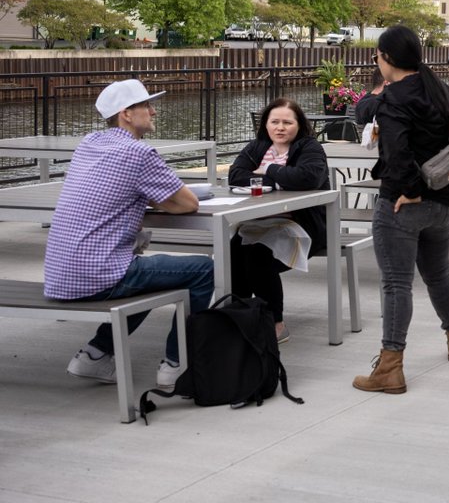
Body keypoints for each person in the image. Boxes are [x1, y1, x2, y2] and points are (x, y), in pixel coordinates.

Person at [44, 79, 213, 392]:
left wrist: (143, 195)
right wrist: (153, 195)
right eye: (146, 105)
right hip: (98, 275)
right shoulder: (139, 153)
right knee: (204, 270)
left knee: (148, 274)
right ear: (126, 113)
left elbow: (114, 188)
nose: (153, 111)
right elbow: (187, 203)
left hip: (60, 273)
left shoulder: (89, 143)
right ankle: (178, 366)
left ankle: (95, 354)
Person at [354, 25, 449, 394]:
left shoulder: (395, 99)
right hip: (444, 199)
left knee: (396, 284)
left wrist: (411, 191)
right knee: (438, 274)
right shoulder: (443, 92)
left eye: (377, 54)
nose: (376, 59)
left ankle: (390, 366)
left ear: (386, 58)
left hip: (404, 203)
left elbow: (398, 153)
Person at [227, 98, 331, 343]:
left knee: (258, 254)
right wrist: (280, 179)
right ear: (265, 125)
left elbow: (308, 177)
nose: (280, 127)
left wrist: (269, 170)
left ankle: (276, 322)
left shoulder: (309, 147)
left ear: (299, 125)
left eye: (287, 122)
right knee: (234, 250)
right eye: (274, 122)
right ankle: (240, 315)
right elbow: (235, 175)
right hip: (259, 223)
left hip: (301, 224)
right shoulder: (257, 147)